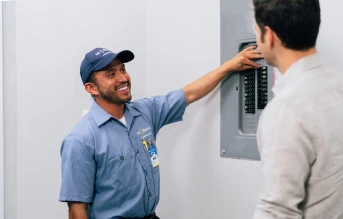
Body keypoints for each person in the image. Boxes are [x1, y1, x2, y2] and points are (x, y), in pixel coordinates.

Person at [59, 46, 262, 219]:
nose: (123, 78)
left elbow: (189, 93)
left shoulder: (145, 112)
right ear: (91, 88)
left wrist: (230, 65)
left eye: (123, 69)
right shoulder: (81, 140)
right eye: (111, 74)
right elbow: (77, 210)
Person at [252, 0, 343, 218]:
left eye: (256, 31)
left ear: (269, 35)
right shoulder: (337, 85)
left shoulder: (287, 109)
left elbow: (276, 211)